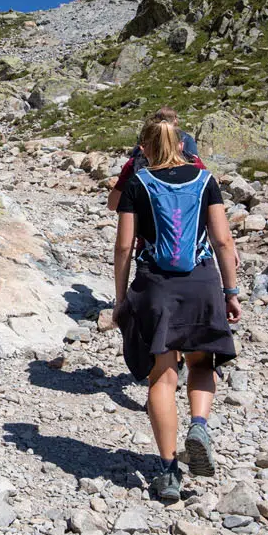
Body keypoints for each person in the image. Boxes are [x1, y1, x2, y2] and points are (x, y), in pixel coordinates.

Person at [112, 118, 240, 503]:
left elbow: (123, 247)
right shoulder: (205, 180)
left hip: (156, 287)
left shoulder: (139, 181)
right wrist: (230, 291)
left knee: (162, 379)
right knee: (202, 363)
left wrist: (120, 300)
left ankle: (168, 472)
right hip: (201, 282)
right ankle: (199, 425)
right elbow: (222, 239)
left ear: (146, 148)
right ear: (183, 145)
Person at [106, 107, 203, 212]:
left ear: (144, 148)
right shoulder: (193, 160)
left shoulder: (133, 164)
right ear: (181, 145)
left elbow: (112, 205)